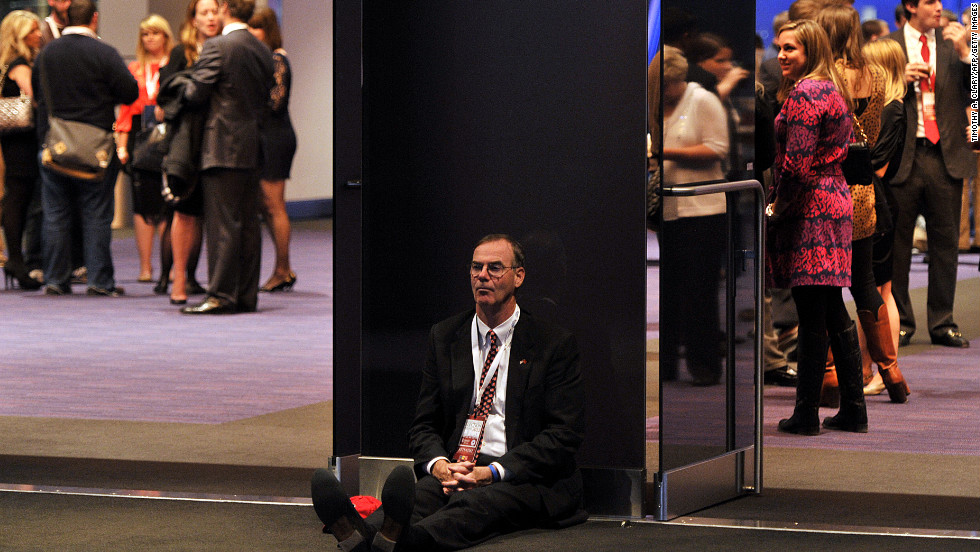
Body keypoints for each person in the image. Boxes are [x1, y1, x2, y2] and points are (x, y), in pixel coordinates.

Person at [312, 234, 587, 551]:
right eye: (476, 267)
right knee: (421, 497)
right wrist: (440, 465)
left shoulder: (552, 343)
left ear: (519, 276)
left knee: (473, 506)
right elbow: (424, 425)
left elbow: (564, 434)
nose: (482, 275)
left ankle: (387, 543)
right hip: (456, 467)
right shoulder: (445, 336)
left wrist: (491, 471)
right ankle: (368, 536)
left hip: (519, 476)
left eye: (494, 268)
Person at [768, 20, 867, 435]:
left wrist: (776, 209)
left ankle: (806, 413)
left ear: (810, 50)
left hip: (813, 209)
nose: (781, 55)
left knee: (812, 311)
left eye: (790, 48)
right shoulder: (830, 86)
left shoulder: (808, 91)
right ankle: (854, 409)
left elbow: (795, 165)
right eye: (779, 47)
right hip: (833, 201)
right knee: (830, 307)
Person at [816, 4, 909, 405]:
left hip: (829, 191)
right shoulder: (872, 75)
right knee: (867, 285)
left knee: (823, 288)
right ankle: (892, 374)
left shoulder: (824, 78)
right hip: (865, 192)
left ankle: (834, 376)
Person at [32, 0, 138, 296]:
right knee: (97, 214)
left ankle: (55, 279)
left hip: (55, 144)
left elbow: (38, 97)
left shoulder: (47, 53)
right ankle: (99, 281)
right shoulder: (104, 53)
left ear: (66, 16)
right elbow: (130, 92)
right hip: (97, 148)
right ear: (95, 18)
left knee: (55, 215)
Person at [884, 0, 974, 348]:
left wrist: (968, 52)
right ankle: (902, 322)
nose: (939, 8)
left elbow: (976, 93)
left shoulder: (958, 43)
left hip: (945, 155)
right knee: (897, 246)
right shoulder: (889, 46)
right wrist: (898, 80)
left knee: (945, 244)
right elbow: (872, 97)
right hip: (903, 155)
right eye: (930, 2)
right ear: (910, 6)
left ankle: (942, 322)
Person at [179, 0, 273, 315]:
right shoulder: (262, 49)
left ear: (225, 9)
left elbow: (195, 93)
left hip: (222, 145)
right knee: (248, 224)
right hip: (252, 144)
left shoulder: (218, 46)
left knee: (222, 225)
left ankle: (220, 295)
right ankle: (246, 296)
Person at [658, 46, 729, 386]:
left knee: (700, 291)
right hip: (671, 210)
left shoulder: (703, 100)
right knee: (670, 290)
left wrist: (661, 152)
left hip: (703, 211)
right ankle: (668, 365)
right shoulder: (657, 105)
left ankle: (705, 365)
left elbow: (718, 149)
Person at [156, 0, 221, 304]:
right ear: (193, 19)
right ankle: (178, 278)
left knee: (217, 216)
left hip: (220, 140)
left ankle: (210, 280)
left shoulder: (227, 47)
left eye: (214, 11)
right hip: (186, 143)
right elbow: (163, 100)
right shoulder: (182, 53)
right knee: (183, 212)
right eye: (203, 12)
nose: (210, 17)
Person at [864, 37, 914, 402]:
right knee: (877, 290)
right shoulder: (886, 106)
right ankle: (876, 368)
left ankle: (885, 368)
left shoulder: (892, 108)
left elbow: (878, 164)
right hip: (876, 200)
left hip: (879, 202)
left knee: (881, 291)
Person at [114, 15, 173, 284]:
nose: (150, 38)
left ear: (165, 37)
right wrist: (122, 146)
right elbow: (126, 111)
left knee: (168, 203)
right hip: (141, 136)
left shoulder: (174, 65)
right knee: (142, 204)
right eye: (145, 34)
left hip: (169, 135)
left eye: (155, 33)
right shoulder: (135, 69)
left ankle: (170, 266)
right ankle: (146, 267)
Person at [248, 6, 298, 293]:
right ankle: (284, 268)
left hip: (276, 138)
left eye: (257, 27)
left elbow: (275, 102)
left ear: (268, 30)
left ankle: (282, 270)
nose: (253, 33)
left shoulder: (277, 59)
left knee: (274, 205)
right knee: (265, 207)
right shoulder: (264, 59)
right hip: (267, 136)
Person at [0, 11, 43, 290]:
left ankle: (16, 259)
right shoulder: (20, 65)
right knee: (18, 198)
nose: (39, 35)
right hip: (23, 140)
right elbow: (35, 100)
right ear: (20, 35)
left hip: (12, 138)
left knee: (16, 196)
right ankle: (16, 260)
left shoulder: (7, 64)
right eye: (33, 30)